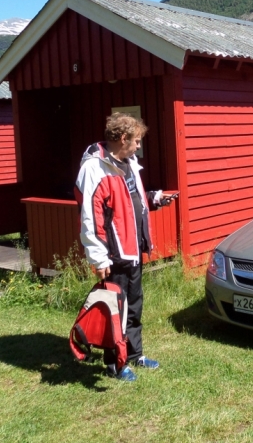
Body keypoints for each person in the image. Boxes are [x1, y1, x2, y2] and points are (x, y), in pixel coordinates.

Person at [75, 112, 175, 382]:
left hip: (132, 250)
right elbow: (90, 218)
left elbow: (130, 200)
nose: (139, 146)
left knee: (134, 306)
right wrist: (99, 258)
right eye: (137, 141)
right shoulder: (95, 169)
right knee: (114, 311)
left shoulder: (128, 163)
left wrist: (155, 198)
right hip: (113, 254)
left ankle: (133, 354)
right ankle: (114, 365)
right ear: (122, 139)